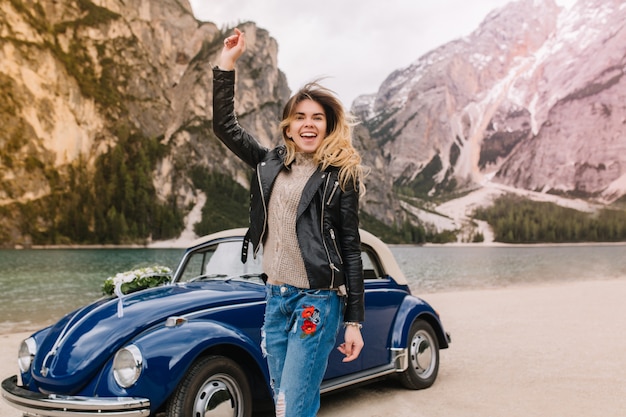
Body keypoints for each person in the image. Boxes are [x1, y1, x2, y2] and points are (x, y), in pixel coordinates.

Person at [212, 28, 366, 417]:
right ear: (288, 125)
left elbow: (350, 246)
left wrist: (354, 323)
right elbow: (224, 127)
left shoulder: (339, 174)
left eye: (317, 118)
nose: (308, 124)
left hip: (317, 301)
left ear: (329, 125)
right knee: (285, 402)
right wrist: (227, 64)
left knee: (293, 406)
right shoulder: (269, 163)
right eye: (300, 117)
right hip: (275, 298)